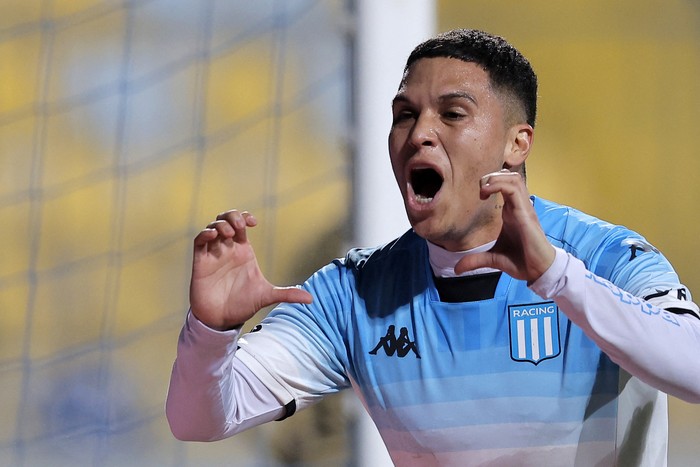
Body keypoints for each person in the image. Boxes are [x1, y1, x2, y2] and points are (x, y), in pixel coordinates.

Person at [166, 29, 700, 466]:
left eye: (452, 114)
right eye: (405, 115)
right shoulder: (355, 295)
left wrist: (556, 276)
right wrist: (210, 332)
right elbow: (198, 420)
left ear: (518, 143)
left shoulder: (604, 258)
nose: (420, 132)